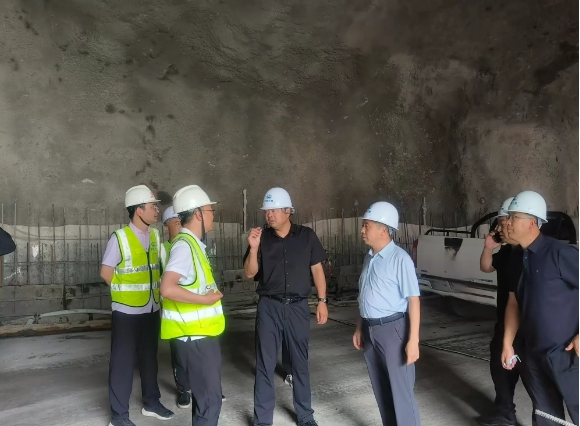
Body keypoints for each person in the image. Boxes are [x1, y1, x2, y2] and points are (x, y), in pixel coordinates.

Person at [244, 187, 328, 426]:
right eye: (267, 211)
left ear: (288, 211)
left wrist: (322, 301)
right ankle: (262, 421)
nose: (269, 215)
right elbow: (249, 273)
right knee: (265, 364)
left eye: (274, 210)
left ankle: (305, 416)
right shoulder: (261, 238)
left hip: (297, 307)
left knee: (300, 363)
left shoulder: (306, 236)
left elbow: (317, 270)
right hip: (269, 307)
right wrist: (253, 248)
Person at [502, 190, 579, 426]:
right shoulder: (517, 258)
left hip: (566, 354)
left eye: (513, 217)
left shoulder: (561, 254)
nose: (507, 222)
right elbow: (513, 303)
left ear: (532, 222)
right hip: (532, 354)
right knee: (546, 414)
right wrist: (507, 343)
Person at [100, 185, 174, 426]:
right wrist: (124, 294)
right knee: (122, 364)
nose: (157, 210)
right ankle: (119, 418)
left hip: (151, 309)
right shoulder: (120, 238)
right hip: (127, 312)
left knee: (149, 359)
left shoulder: (155, 236)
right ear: (138, 210)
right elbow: (106, 273)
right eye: (153, 206)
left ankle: (152, 403)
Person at [160, 185, 225, 426]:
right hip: (195, 337)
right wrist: (206, 299)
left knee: (206, 400)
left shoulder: (193, 245)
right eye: (209, 210)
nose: (212, 215)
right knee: (209, 402)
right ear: (198, 214)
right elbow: (167, 288)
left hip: (201, 334)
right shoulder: (184, 246)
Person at [352, 201, 421, 426]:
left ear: (383, 229)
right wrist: (359, 327)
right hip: (370, 330)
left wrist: (413, 341)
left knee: (401, 394)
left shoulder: (400, 259)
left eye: (367, 226)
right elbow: (365, 295)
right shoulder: (369, 258)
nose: (362, 230)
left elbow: (413, 301)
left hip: (393, 330)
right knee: (382, 390)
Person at [478, 197, 524, 426]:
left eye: (506, 221)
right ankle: (504, 411)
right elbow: (486, 266)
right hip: (505, 319)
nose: (502, 227)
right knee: (500, 367)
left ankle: (507, 413)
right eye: (502, 222)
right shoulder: (506, 253)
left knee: (522, 372)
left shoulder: (528, 253)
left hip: (524, 324)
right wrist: (488, 247)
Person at [161, 206, 193, 409]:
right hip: (174, 310)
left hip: (194, 308)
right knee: (180, 352)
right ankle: (184, 389)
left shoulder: (192, 245)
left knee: (199, 350)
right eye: (175, 223)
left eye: (181, 222)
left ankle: (204, 385)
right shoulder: (162, 250)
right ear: (166, 227)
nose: (180, 226)